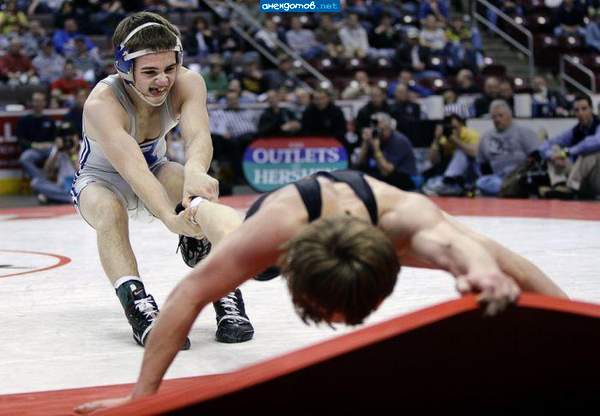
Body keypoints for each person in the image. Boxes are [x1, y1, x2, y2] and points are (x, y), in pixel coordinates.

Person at [74, 168, 567, 414]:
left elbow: (487, 257)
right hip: (287, 216)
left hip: (369, 211)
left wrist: (483, 273)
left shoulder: (408, 222)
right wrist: (141, 398)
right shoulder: (273, 237)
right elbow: (187, 297)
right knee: (238, 241)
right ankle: (199, 210)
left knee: (493, 257)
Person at [70, 11, 254, 349]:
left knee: (188, 181)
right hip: (101, 181)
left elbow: (198, 136)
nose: (163, 81)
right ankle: (138, 305)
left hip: (156, 167)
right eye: (150, 72)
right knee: (109, 210)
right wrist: (171, 218)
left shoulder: (189, 82)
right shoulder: (102, 104)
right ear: (124, 69)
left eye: (170, 68)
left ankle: (223, 289)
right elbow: (134, 171)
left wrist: (195, 174)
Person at [537, 94, 600, 199]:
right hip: (580, 179)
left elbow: (594, 143)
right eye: (577, 110)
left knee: (590, 152)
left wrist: (565, 153)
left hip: (596, 179)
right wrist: (552, 156)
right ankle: (559, 185)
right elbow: (545, 145)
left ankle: (570, 188)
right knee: (554, 149)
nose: (580, 113)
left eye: (584, 109)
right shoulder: (574, 131)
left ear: (591, 109)